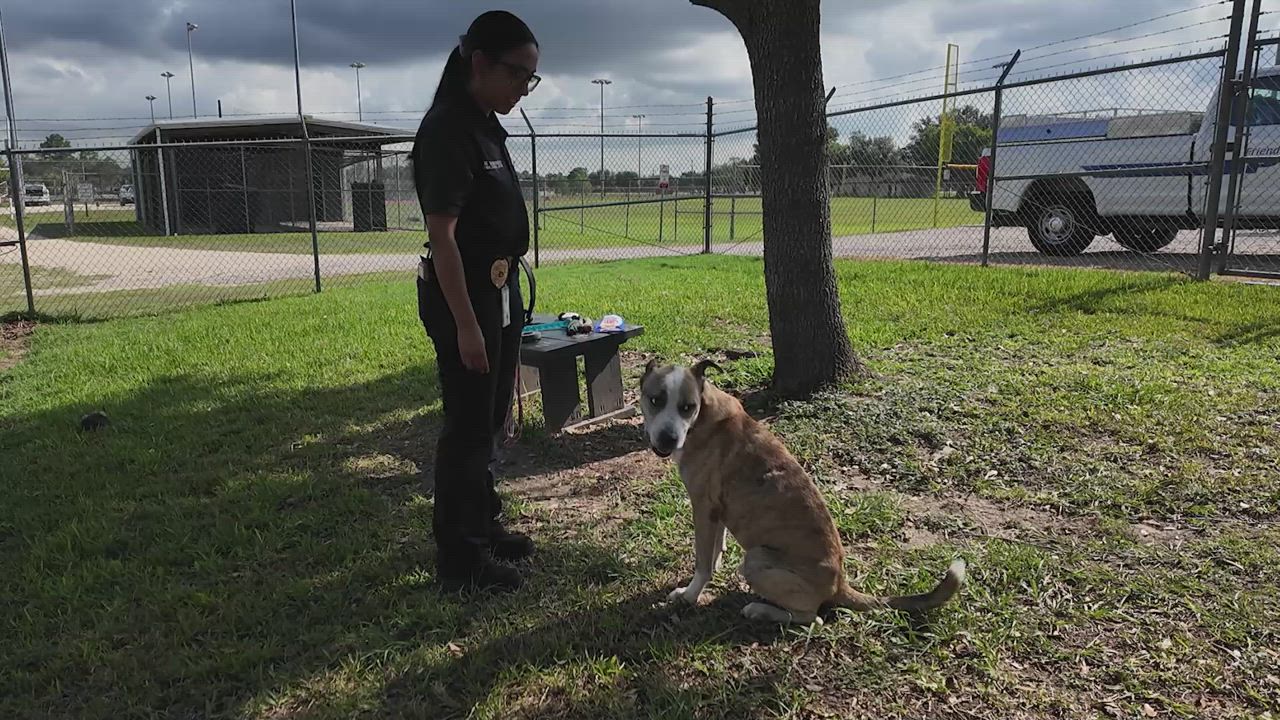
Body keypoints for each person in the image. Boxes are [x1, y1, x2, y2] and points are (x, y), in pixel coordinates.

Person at [411, 10, 541, 592]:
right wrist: (466, 326)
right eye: (518, 74)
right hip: (463, 295)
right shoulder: (447, 130)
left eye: (530, 78)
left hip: (499, 291)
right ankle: (459, 557)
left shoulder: (486, 123)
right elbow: (443, 240)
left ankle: (483, 528)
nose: (523, 87)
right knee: (466, 425)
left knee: (489, 418)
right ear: (480, 63)